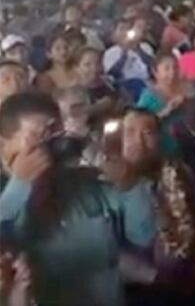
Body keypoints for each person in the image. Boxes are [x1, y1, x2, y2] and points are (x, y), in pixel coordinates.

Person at [0, 92, 128, 306]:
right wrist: (20, 184)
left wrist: (128, 182)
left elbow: (141, 233)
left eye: (54, 133)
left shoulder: (81, 181)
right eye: (38, 136)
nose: (48, 145)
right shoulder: (8, 195)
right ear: (4, 144)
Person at [104, 108, 195, 306]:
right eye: (129, 132)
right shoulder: (105, 184)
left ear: (158, 138)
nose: (138, 141)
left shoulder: (177, 171)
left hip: (188, 283)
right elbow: (106, 250)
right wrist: (153, 277)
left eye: (146, 133)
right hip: (137, 290)